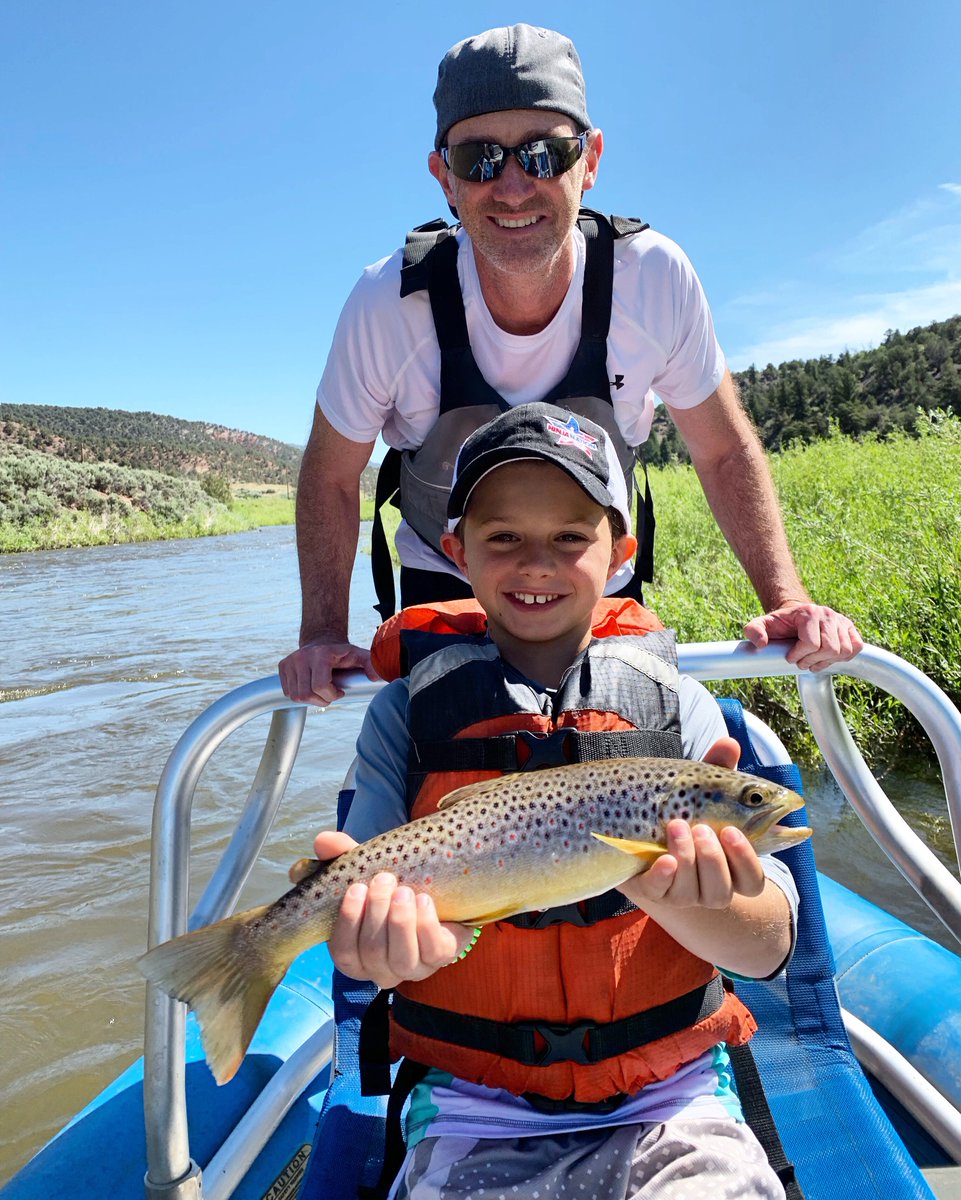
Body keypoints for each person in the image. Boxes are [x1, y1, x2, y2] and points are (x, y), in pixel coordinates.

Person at [298, 403, 799, 1199]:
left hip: (671, 1105)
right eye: (504, 538)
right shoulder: (401, 716)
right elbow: (364, 957)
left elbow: (769, 950)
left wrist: (703, 905)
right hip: (470, 1108)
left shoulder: (679, 709)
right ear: (455, 552)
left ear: (620, 552)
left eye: (571, 537)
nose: (537, 562)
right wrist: (380, 951)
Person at [279, 22, 862, 707]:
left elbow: (724, 450)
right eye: (480, 159)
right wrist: (321, 633)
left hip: (595, 588)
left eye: (544, 153)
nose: (514, 186)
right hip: (444, 594)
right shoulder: (387, 303)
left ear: (589, 161)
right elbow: (330, 474)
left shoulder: (652, 279)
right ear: (444, 178)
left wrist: (785, 599)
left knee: (624, 765)